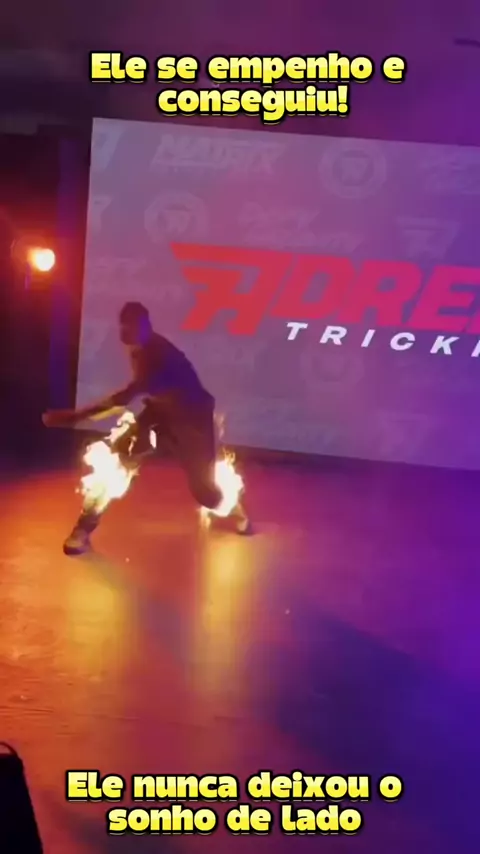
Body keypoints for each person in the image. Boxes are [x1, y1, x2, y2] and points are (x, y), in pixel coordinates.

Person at [43, 302, 251, 554]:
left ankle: (234, 507)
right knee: (118, 459)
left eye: (132, 326)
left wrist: (74, 417)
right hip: (159, 414)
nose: (125, 332)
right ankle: (83, 530)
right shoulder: (138, 349)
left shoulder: (158, 354)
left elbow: (122, 398)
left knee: (206, 494)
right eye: (123, 326)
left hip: (193, 422)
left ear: (146, 326)